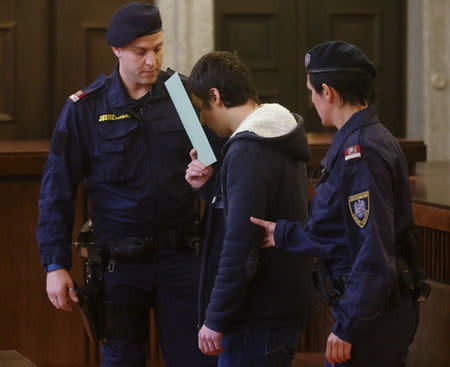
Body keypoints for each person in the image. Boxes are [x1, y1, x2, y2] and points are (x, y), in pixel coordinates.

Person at [36, 2, 219, 367]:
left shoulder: (182, 97)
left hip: (180, 258)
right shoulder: (85, 109)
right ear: (117, 49)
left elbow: (217, 170)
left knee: (195, 359)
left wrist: (208, 176)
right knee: (121, 359)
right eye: (140, 52)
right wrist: (54, 265)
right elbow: (56, 192)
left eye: (158, 48)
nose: (151, 60)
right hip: (119, 265)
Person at [251, 40, 423, 367]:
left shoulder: (362, 153)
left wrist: (347, 326)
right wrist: (282, 233)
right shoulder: (362, 139)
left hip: (372, 319)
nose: (312, 100)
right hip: (370, 311)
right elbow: (338, 229)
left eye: (311, 92)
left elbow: (372, 253)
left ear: (327, 91)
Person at [185, 51, 316, 366]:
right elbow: (255, 211)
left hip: (257, 312)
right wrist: (209, 186)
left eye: (202, 107)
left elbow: (240, 242)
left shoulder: (248, 149)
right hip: (281, 303)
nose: (202, 119)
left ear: (215, 97)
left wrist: (216, 317)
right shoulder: (277, 134)